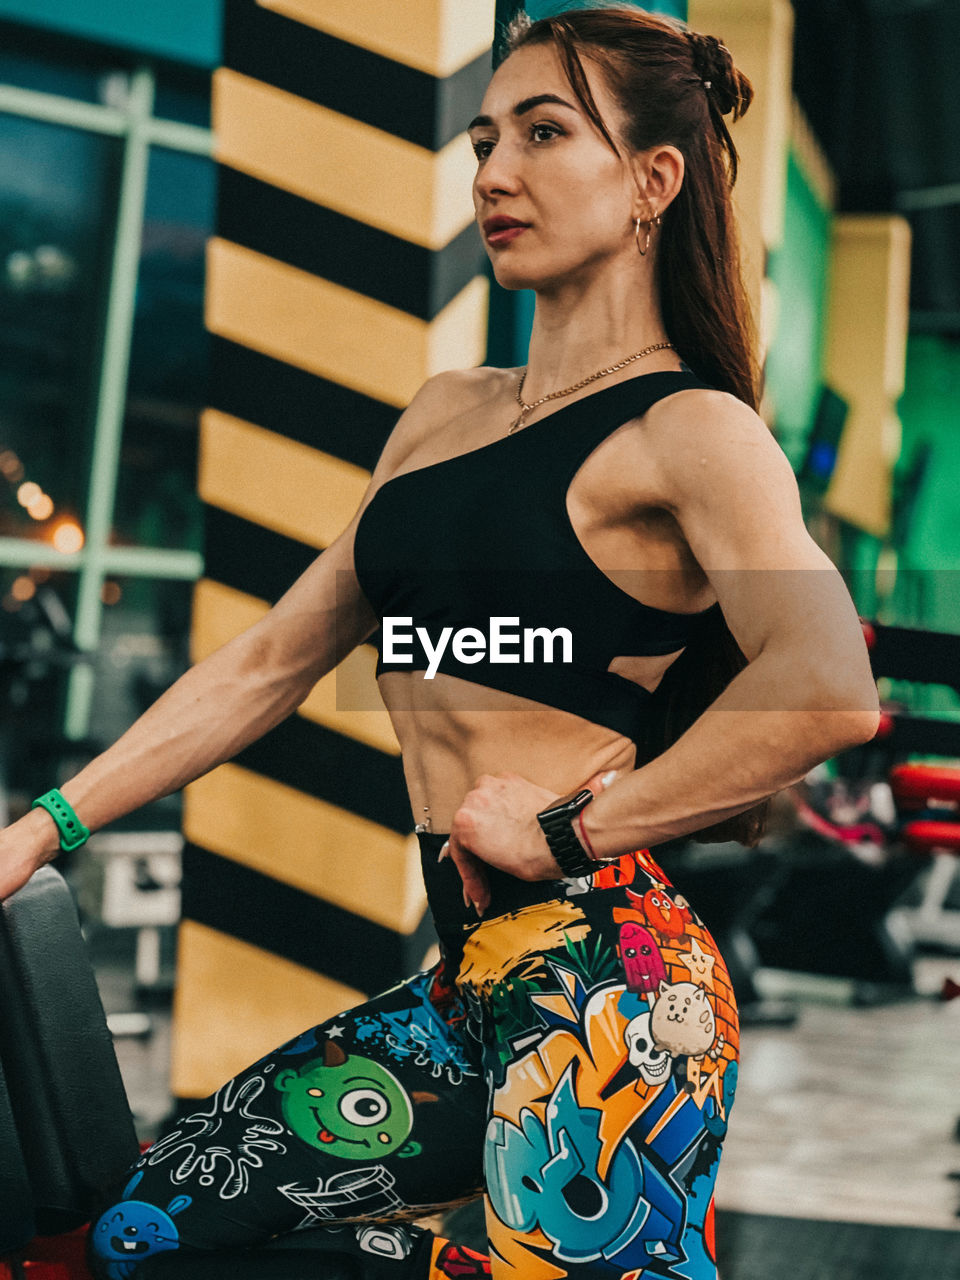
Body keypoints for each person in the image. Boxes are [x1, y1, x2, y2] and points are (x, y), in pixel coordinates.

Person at [0, 8, 879, 1280]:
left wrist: (574, 830)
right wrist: (45, 825)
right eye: (482, 139)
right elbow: (268, 662)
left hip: (614, 1001)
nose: (494, 174)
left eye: (543, 132)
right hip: (466, 992)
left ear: (652, 181)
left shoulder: (694, 429)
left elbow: (828, 690)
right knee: (142, 1236)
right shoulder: (445, 412)